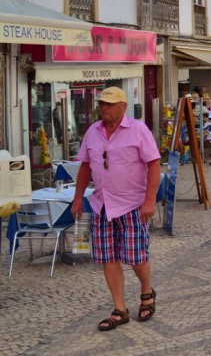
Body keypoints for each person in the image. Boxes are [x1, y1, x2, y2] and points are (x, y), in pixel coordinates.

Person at [70, 87, 161, 332]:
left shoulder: (138, 130)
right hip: (102, 206)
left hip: (132, 205)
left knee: (136, 257)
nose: (104, 108)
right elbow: (86, 167)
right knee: (108, 258)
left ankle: (146, 290)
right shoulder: (93, 132)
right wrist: (78, 198)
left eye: (109, 104)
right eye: (102, 104)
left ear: (123, 106)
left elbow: (153, 164)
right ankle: (119, 309)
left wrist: (149, 201)